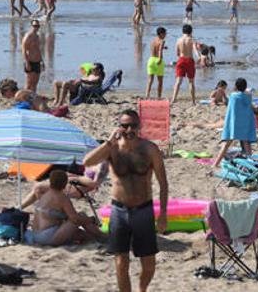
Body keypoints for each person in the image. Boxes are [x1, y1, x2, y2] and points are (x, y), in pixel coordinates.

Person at [83, 110, 168, 292]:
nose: (129, 129)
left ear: (139, 127)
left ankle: (142, 289)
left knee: (149, 264)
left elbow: (163, 183)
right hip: (119, 210)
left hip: (144, 210)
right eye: (124, 125)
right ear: (118, 126)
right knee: (121, 263)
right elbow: (87, 162)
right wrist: (108, 142)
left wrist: (163, 214)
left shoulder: (149, 149)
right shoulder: (112, 149)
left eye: (133, 126)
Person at [24, 169, 101, 246]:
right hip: (48, 236)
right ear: (64, 184)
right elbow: (75, 220)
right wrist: (91, 219)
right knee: (82, 216)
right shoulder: (62, 198)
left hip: (36, 235)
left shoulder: (45, 195)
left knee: (82, 234)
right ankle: (104, 237)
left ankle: (98, 236)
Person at [212, 78, 257, 167]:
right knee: (246, 144)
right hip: (244, 124)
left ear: (236, 86)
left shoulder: (233, 96)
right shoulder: (248, 96)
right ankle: (251, 162)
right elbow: (249, 107)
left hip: (234, 125)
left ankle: (216, 163)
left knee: (226, 145)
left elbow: (230, 109)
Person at [170, 24, 197, 104]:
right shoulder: (192, 40)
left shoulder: (179, 40)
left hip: (181, 60)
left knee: (178, 81)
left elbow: (177, 53)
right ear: (191, 31)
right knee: (191, 82)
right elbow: (195, 50)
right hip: (189, 60)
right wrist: (199, 57)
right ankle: (193, 101)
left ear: (183, 31)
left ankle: (174, 99)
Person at [145, 27, 167, 99]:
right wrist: (160, 59)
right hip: (157, 60)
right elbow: (160, 50)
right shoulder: (162, 41)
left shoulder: (153, 41)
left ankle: (147, 94)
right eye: (164, 33)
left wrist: (163, 47)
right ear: (161, 34)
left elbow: (156, 48)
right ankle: (159, 96)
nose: (165, 35)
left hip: (151, 60)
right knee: (160, 81)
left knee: (150, 80)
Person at [23, 19, 44, 92]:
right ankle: (25, 98)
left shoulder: (37, 36)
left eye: (38, 26)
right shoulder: (28, 36)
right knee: (29, 83)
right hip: (30, 61)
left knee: (35, 83)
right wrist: (27, 62)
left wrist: (42, 61)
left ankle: (33, 97)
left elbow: (38, 50)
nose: (36, 28)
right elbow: (24, 50)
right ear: (31, 26)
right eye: (35, 26)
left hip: (37, 61)